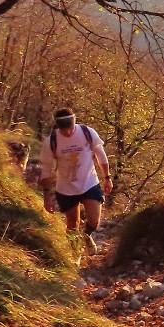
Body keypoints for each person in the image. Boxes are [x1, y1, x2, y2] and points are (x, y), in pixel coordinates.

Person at [39, 107, 112, 252]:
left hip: (89, 183)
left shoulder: (87, 133)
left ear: (75, 122)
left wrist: (107, 177)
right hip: (66, 188)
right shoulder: (51, 141)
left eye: (70, 127)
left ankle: (86, 235)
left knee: (94, 221)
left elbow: (100, 155)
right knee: (72, 224)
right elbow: (46, 169)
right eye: (63, 129)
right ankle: (75, 254)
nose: (67, 132)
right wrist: (47, 197)